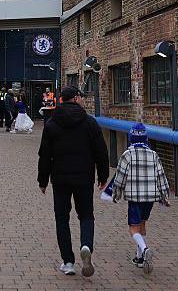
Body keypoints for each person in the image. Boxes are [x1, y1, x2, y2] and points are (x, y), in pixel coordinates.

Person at [37, 86, 109, 278]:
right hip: (84, 178)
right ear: (76, 98)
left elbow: (45, 155)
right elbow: (101, 152)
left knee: (62, 218)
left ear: (61, 100)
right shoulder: (90, 123)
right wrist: (103, 176)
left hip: (60, 179)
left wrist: (42, 180)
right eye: (82, 97)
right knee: (86, 215)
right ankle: (86, 245)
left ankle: (68, 261)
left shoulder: (52, 124)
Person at [111, 123, 170, 273]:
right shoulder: (153, 155)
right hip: (150, 197)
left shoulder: (127, 155)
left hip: (134, 197)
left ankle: (144, 249)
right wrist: (165, 196)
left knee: (133, 228)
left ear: (131, 138)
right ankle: (139, 258)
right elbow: (161, 176)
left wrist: (116, 193)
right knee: (142, 225)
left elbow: (120, 178)